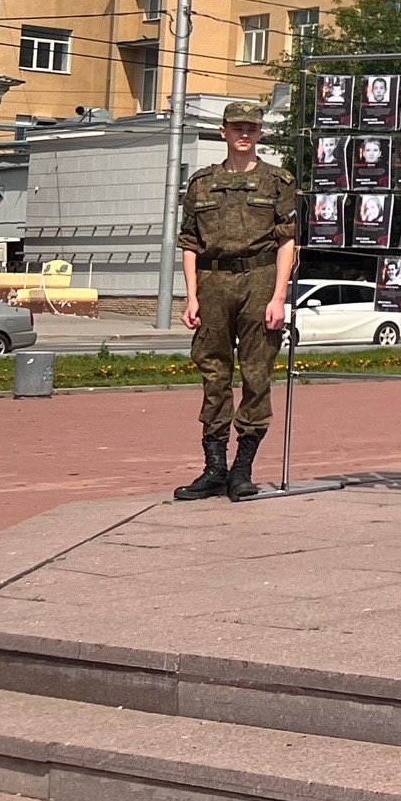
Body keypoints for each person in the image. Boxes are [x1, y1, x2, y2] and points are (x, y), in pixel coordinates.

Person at [173, 100, 299, 503]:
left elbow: (287, 241)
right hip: (212, 282)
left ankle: (242, 469)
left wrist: (279, 296)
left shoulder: (278, 181)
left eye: (251, 128)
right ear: (223, 132)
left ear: (260, 134)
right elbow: (190, 243)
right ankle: (214, 467)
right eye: (236, 127)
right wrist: (191, 295)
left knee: (257, 374)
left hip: (260, 281)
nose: (244, 134)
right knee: (214, 374)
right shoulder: (201, 183)